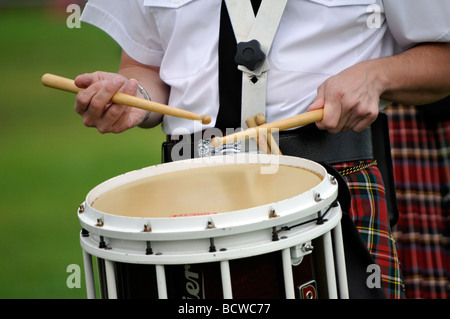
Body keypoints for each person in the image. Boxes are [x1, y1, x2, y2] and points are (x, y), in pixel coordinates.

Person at [73, 0, 450, 299]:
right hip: (186, 203)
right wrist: (134, 96)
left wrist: (376, 75)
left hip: (334, 191)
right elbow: (144, 65)